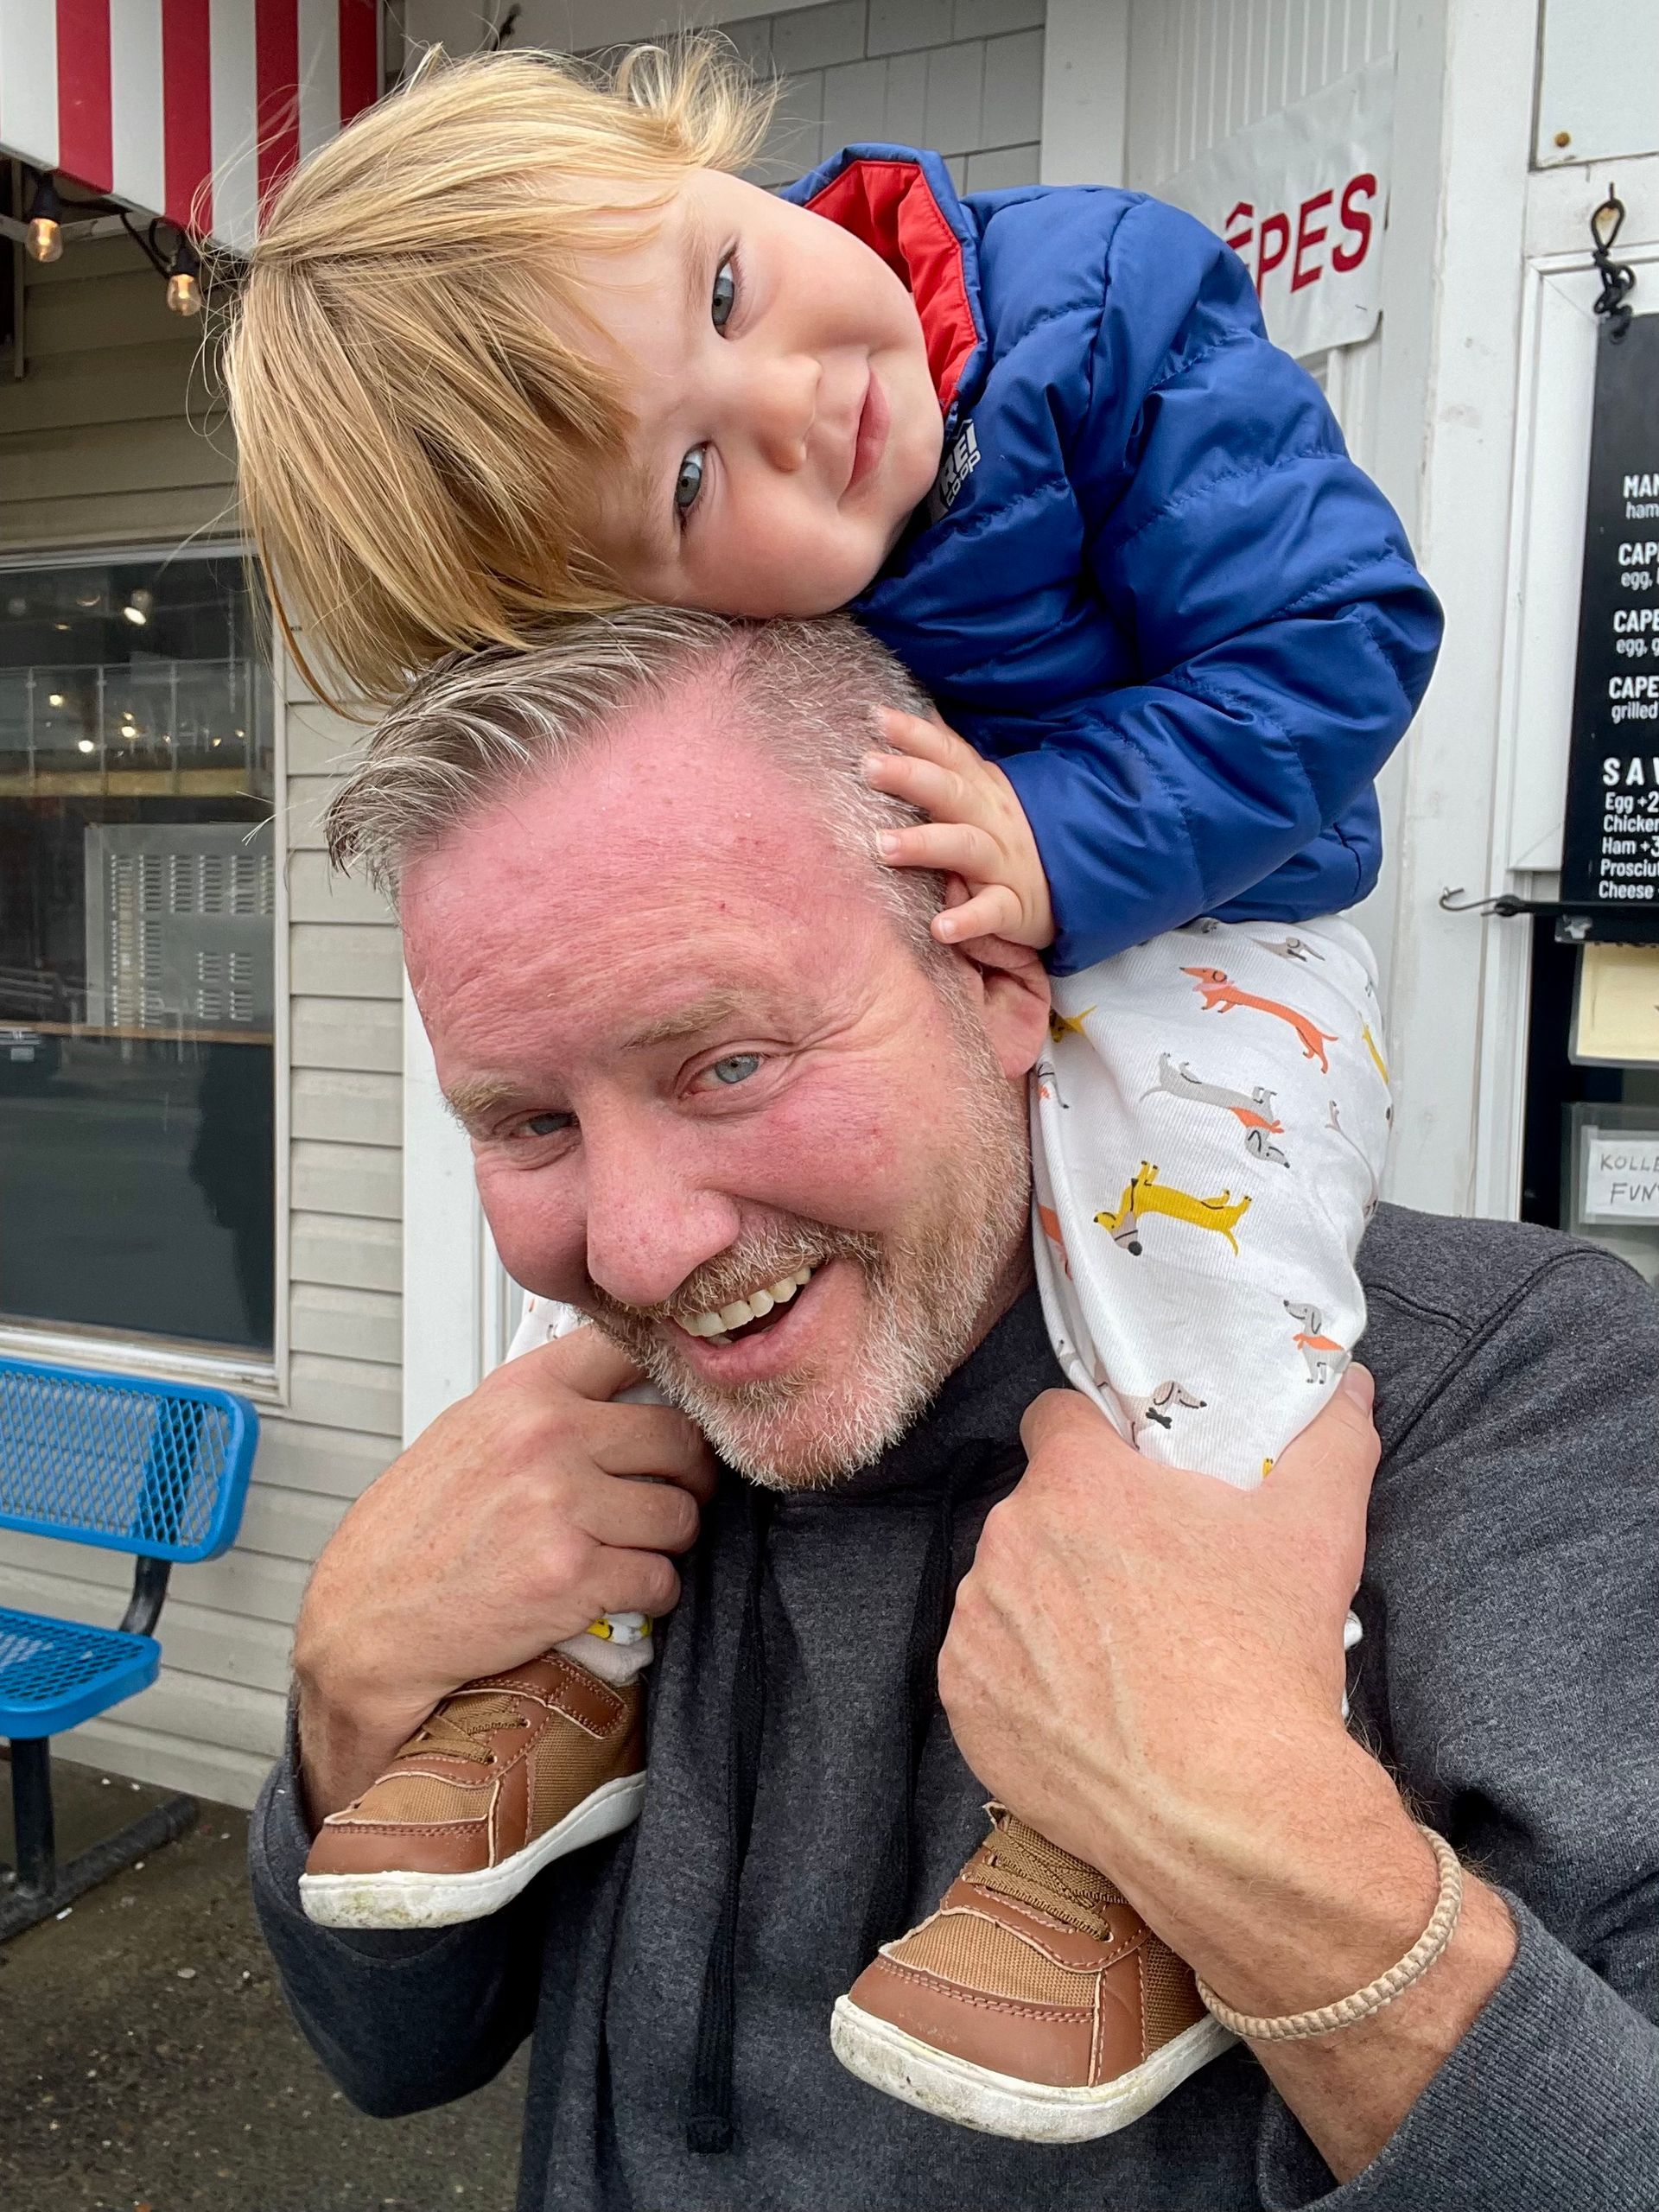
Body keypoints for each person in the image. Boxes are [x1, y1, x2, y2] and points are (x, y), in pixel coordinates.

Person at [226, 41, 1438, 2133]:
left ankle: (1150, 1790)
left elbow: (1343, 633)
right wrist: (345, 1698)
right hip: (981, 863)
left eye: (720, 290)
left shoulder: (1098, 312)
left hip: (1199, 905)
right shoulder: (767, 591)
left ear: (695, 151)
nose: (794, 397)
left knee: (1203, 1263)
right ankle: (560, 1663)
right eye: (695, 482)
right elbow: (388, 2049)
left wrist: (1059, 843)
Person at [252, 613, 1659, 2210]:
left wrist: (1266, 1843)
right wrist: (345, 1702)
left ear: (997, 983)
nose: (638, 1248)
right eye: (525, 1119)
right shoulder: (573, 1461)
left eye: (729, 1064)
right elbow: (394, 2055)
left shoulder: (1506, 1396)